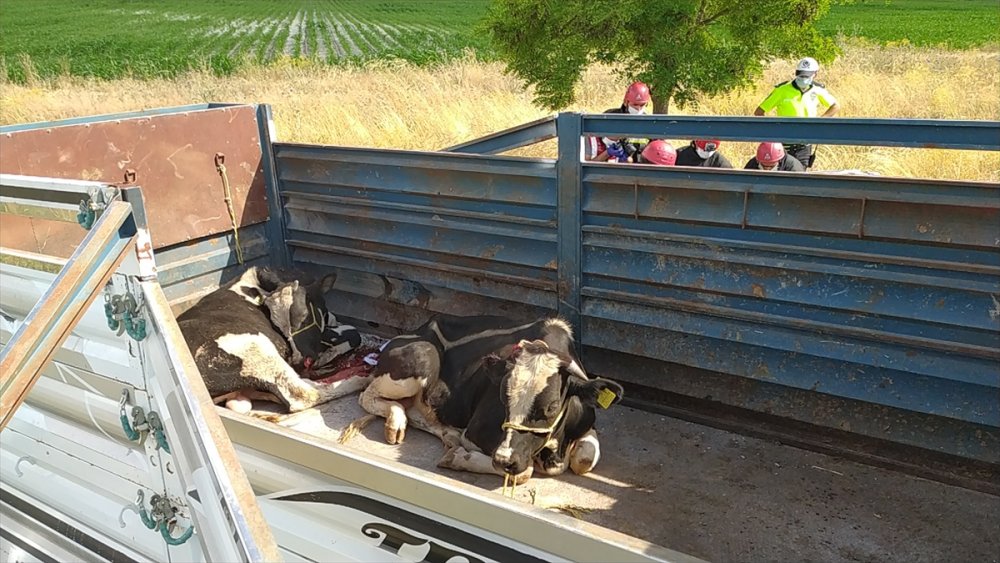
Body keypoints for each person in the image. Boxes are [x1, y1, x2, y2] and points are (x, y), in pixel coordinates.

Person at [753, 57, 840, 169]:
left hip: (805, 143)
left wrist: (820, 121)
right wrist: (773, 132)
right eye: (801, 75)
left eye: (807, 76)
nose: (803, 78)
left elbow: (835, 106)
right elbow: (759, 111)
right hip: (783, 144)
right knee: (782, 173)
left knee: (800, 174)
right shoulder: (782, 90)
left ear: (815, 74)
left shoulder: (818, 90)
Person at [585, 81, 651, 162]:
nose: (638, 109)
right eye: (635, 105)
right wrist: (608, 153)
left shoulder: (648, 123)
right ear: (626, 102)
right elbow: (587, 163)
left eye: (642, 105)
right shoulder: (610, 116)